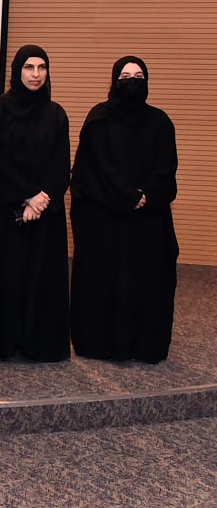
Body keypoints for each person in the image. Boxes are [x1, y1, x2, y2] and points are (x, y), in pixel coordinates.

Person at [70, 56, 178, 363]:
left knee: (148, 281)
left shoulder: (160, 121)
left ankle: (144, 345)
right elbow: (91, 171)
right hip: (105, 219)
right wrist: (126, 197)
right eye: (126, 76)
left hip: (148, 220)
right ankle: (101, 344)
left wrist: (146, 195)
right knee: (106, 280)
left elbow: (167, 168)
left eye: (139, 76)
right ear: (114, 81)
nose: (132, 81)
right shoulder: (99, 119)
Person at [0, 45, 71, 362]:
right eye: (29, 67)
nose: (36, 74)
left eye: (41, 67)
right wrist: (28, 195)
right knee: (6, 273)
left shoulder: (56, 114)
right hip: (3, 205)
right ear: (17, 71)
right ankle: (2, 341)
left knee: (42, 276)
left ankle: (38, 343)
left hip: (46, 209)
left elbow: (61, 164)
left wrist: (41, 199)